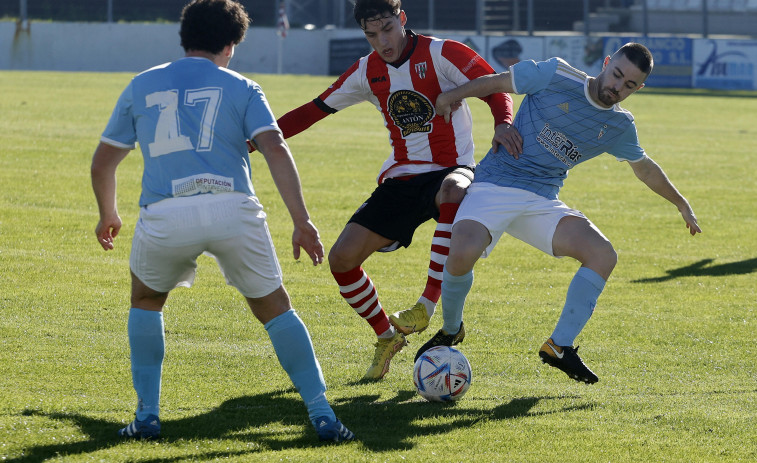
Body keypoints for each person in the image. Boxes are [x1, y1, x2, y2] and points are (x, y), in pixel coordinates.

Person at [91, 0, 354, 442]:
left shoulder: (142, 84)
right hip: (233, 208)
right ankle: (321, 411)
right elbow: (275, 149)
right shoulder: (244, 86)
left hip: (165, 213)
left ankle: (148, 415)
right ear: (231, 45)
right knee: (275, 308)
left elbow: (103, 163)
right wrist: (302, 220)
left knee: (146, 300)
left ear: (183, 37)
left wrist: (108, 213)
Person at [264, 0, 522, 380]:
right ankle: (387, 336)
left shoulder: (443, 52)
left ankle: (426, 306)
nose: (381, 41)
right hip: (400, 179)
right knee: (342, 259)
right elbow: (312, 110)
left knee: (454, 190)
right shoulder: (367, 70)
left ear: (402, 19)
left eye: (387, 28)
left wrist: (502, 123)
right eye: (371, 34)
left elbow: (497, 88)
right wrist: (254, 141)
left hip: (452, 169)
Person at [417, 42, 701, 384]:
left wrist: (681, 203)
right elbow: (496, 82)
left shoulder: (619, 125)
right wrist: (452, 96)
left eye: (629, 85)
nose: (617, 87)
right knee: (460, 253)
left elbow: (646, 169)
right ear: (607, 63)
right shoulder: (556, 74)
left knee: (603, 255)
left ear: (638, 89)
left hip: (542, 200)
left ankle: (559, 346)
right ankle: (451, 330)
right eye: (617, 75)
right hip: (496, 183)